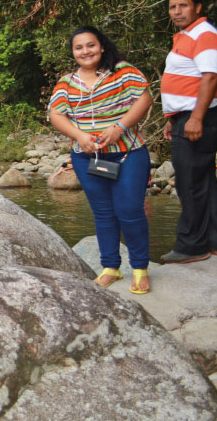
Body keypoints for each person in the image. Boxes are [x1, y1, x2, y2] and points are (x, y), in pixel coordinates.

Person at [48, 27, 153, 295]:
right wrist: (79, 136)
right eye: (79, 47)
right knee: (104, 213)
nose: (85, 51)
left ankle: (140, 269)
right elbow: (56, 115)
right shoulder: (67, 83)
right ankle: (110, 268)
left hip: (128, 153)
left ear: (101, 46)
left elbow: (144, 99)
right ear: (73, 52)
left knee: (130, 210)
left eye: (90, 45)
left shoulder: (122, 71)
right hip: (87, 157)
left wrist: (118, 128)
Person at [160, 0, 217, 263]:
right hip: (186, 117)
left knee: (189, 185)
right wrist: (172, 118)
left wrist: (196, 118)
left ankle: (192, 247)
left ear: (198, 8)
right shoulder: (187, 36)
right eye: (172, 7)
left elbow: (210, 78)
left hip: (198, 118)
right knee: (203, 181)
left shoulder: (205, 34)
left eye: (183, 6)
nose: (177, 11)